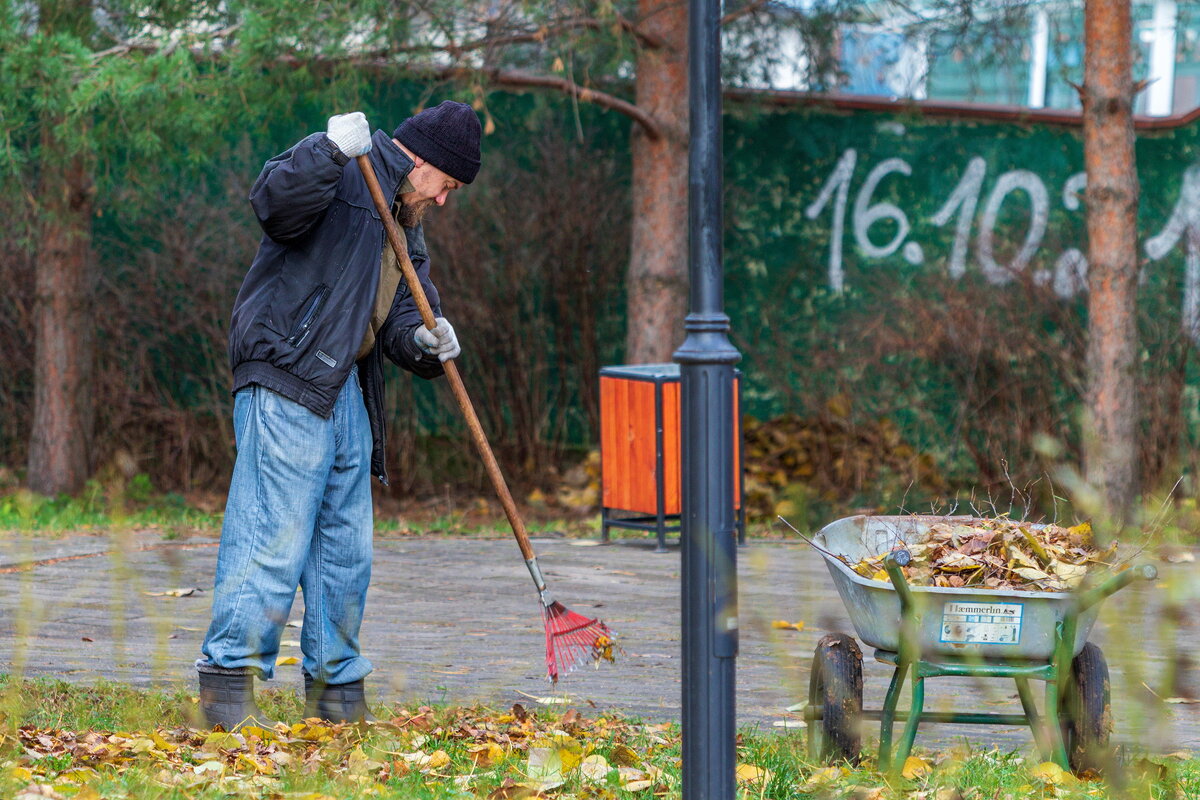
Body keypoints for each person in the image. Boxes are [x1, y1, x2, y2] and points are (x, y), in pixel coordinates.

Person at [194, 101, 482, 730]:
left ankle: (336, 692)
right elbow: (273, 204)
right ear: (423, 162)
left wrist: (430, 344)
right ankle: (227, 685)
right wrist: (325, 149)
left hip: (346, 382)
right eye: (448, 186)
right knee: (273, 534)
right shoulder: (348, 170)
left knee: (345, 550)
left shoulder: (404, 219)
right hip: (290, 369)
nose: (443, 201)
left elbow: (406, 310)